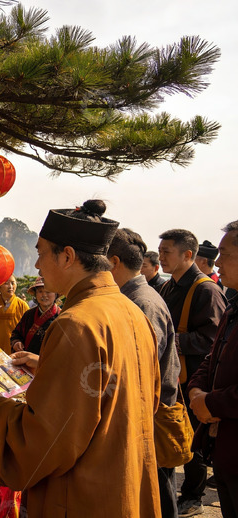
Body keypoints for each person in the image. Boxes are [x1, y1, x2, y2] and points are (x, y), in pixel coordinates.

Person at [0, 199, 161, 516]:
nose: (36, 266)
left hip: (82, 494)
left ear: (68, 256)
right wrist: (47, 365)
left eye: (40, 253)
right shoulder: (129, 309)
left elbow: (50, 439)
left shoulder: (75, 323)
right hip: (124, 475)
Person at [107, 228, 181, 518]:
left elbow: (138, 372)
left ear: (113, 263)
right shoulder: (134, 297)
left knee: (157, 494)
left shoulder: (142, 303)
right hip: (146, 413)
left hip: (151, 417)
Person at [158, 228, 226, 517]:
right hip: (171, 374)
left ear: (188, 255)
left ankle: (193, 496)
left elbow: (212, 339)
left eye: (166, 252)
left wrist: (170, 340)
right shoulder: (167, 287)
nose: (160, 257)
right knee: (172, 434)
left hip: (193, 376)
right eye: (159, 252)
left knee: (193, 440)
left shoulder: (205, 290)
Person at [189, 220, 238, 518]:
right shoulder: (232, 307)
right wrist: (196, 391)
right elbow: (212, 357)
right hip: (225, 452)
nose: (217, 261)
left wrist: (209, 402)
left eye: (224, 253)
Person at [9, 277, 59, 356]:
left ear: (56, 294)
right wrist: (16, 342)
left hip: (48, 364)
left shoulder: (61, 316)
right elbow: (16, 333)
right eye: (40, 291)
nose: (44, 295)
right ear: (35, 294)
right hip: (25, 362)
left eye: (48, 291)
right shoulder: (28, 314)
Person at [0, 275, 29, 354]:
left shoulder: (22, 305)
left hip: (15, 347)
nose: (10, 287)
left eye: (13, 283)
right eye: (6, 283)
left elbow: (28, 329)